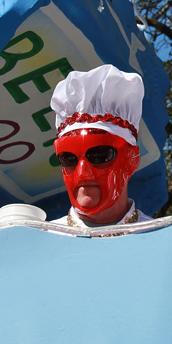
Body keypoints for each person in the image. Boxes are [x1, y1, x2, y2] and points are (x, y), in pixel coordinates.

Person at [47, 64, 152, 229]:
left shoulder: (162, 241)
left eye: (99, 154)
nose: (82, 173)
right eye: (68, 158)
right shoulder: (40, 243)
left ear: (132, 160)